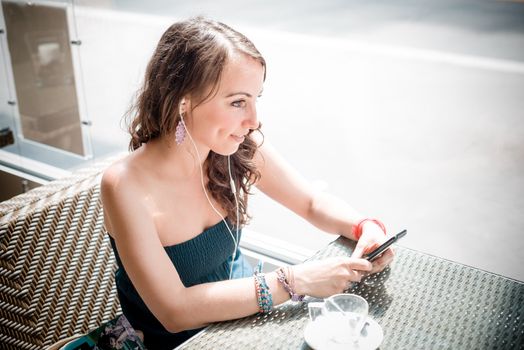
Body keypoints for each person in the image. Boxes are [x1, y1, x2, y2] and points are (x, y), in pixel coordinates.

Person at [100, 17, 394, 350]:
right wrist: (295, 280)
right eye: (238, 102)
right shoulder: (124, 186)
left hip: (250, 319)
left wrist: (364, 227)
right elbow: (174, 311)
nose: (253, 120)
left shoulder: (234, 145)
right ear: (184, 102)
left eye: (256, 99)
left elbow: (311, 202)